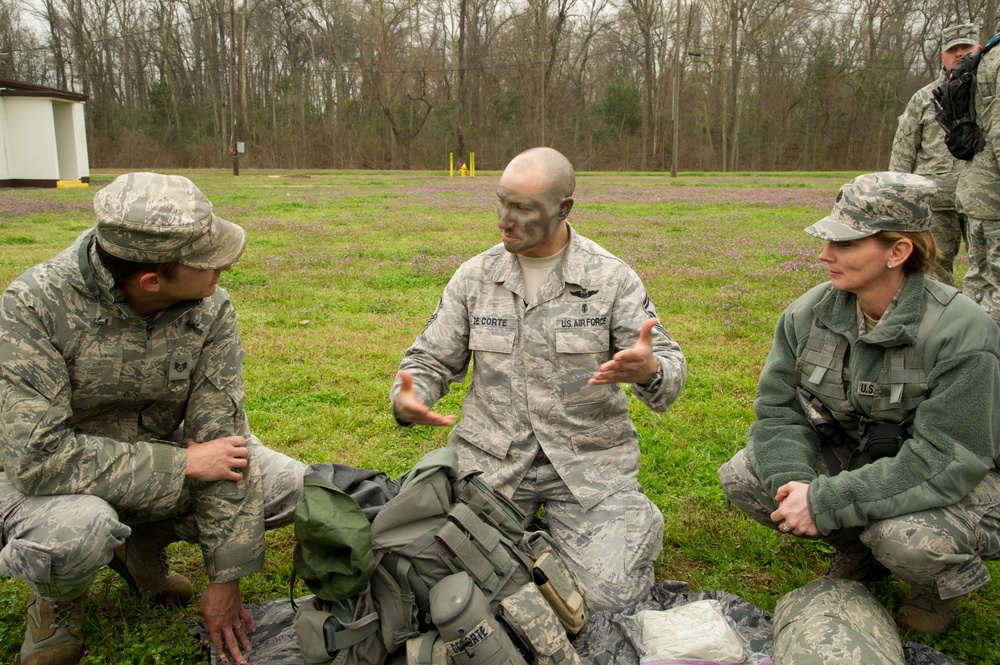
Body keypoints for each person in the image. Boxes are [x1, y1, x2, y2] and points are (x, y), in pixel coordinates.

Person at [0, 172, 306, 665]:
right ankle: (56, 601)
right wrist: (180, 465)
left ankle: (143, 547)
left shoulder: (209, 308)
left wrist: (225, 582)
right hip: (51, 487)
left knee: (291, 485)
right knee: (78, 533)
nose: (224, 266)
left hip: (163, 461)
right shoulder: (33, 308)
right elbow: (38, 460)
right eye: (208, 263)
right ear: (151, 280)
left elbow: (222, 439)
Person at [390, 147, 686, 611]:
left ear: (563, 208)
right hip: (494, 464)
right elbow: (429, 359)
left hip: (587, 464)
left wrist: (651, 371)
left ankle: (624, 524)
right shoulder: (475, 277)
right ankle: (535, 543)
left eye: (524, 208)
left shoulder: (610, 279)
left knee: (610, 601)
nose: (505, 220)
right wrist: (410, 395)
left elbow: (669, 371)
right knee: (439, 591)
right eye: (502, 202)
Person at [718, 172, 1000, 635]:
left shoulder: (960, 332)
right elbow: (779, 411)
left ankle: (936, 586)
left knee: (907, 540)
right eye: (828, 239)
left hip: (967, 475)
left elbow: (950, 458)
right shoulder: (808, 314)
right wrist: (796, 484)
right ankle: (861, 553)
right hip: (871, 457)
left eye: (846, 243)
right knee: (745, 476)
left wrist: (828, 500)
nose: (825, 255)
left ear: (897, 252)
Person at [889, 22, 979, 286]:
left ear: (980, 49)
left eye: (967, 48)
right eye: (954, 49)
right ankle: (939, 325)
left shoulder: (990, 96)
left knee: (987, 271)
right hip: (934, 202)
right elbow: (903, 152)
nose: (960, 54)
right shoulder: (923, 98)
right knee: (932, 274)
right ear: (943, 55)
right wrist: (898, 201)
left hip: (982, 200)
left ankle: (981, 325)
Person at [957, 25, 1000, 324]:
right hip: (994, 192)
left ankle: (966, 348)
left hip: (980, 189)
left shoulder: (988, 54)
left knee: (980, 279)